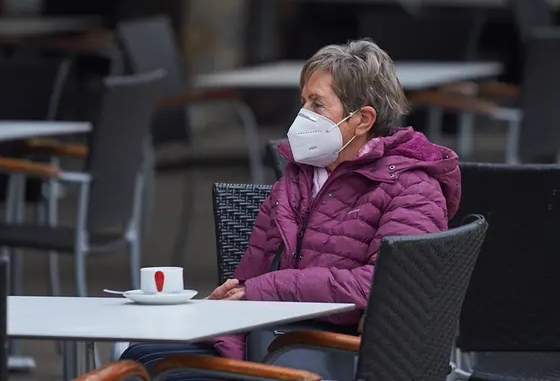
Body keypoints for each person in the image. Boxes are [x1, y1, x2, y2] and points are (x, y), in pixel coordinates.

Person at [119, 39, 461, 377]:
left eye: (317, 105)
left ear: (363, 119)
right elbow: (248, 280)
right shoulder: (297, 179)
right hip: (276, 338)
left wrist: (260, 291)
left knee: (162, 371)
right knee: (139, 358)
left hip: (332, 351)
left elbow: (381, 285)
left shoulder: (412, 187)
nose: (303, 116)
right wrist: (227, 312)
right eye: (303, 102)